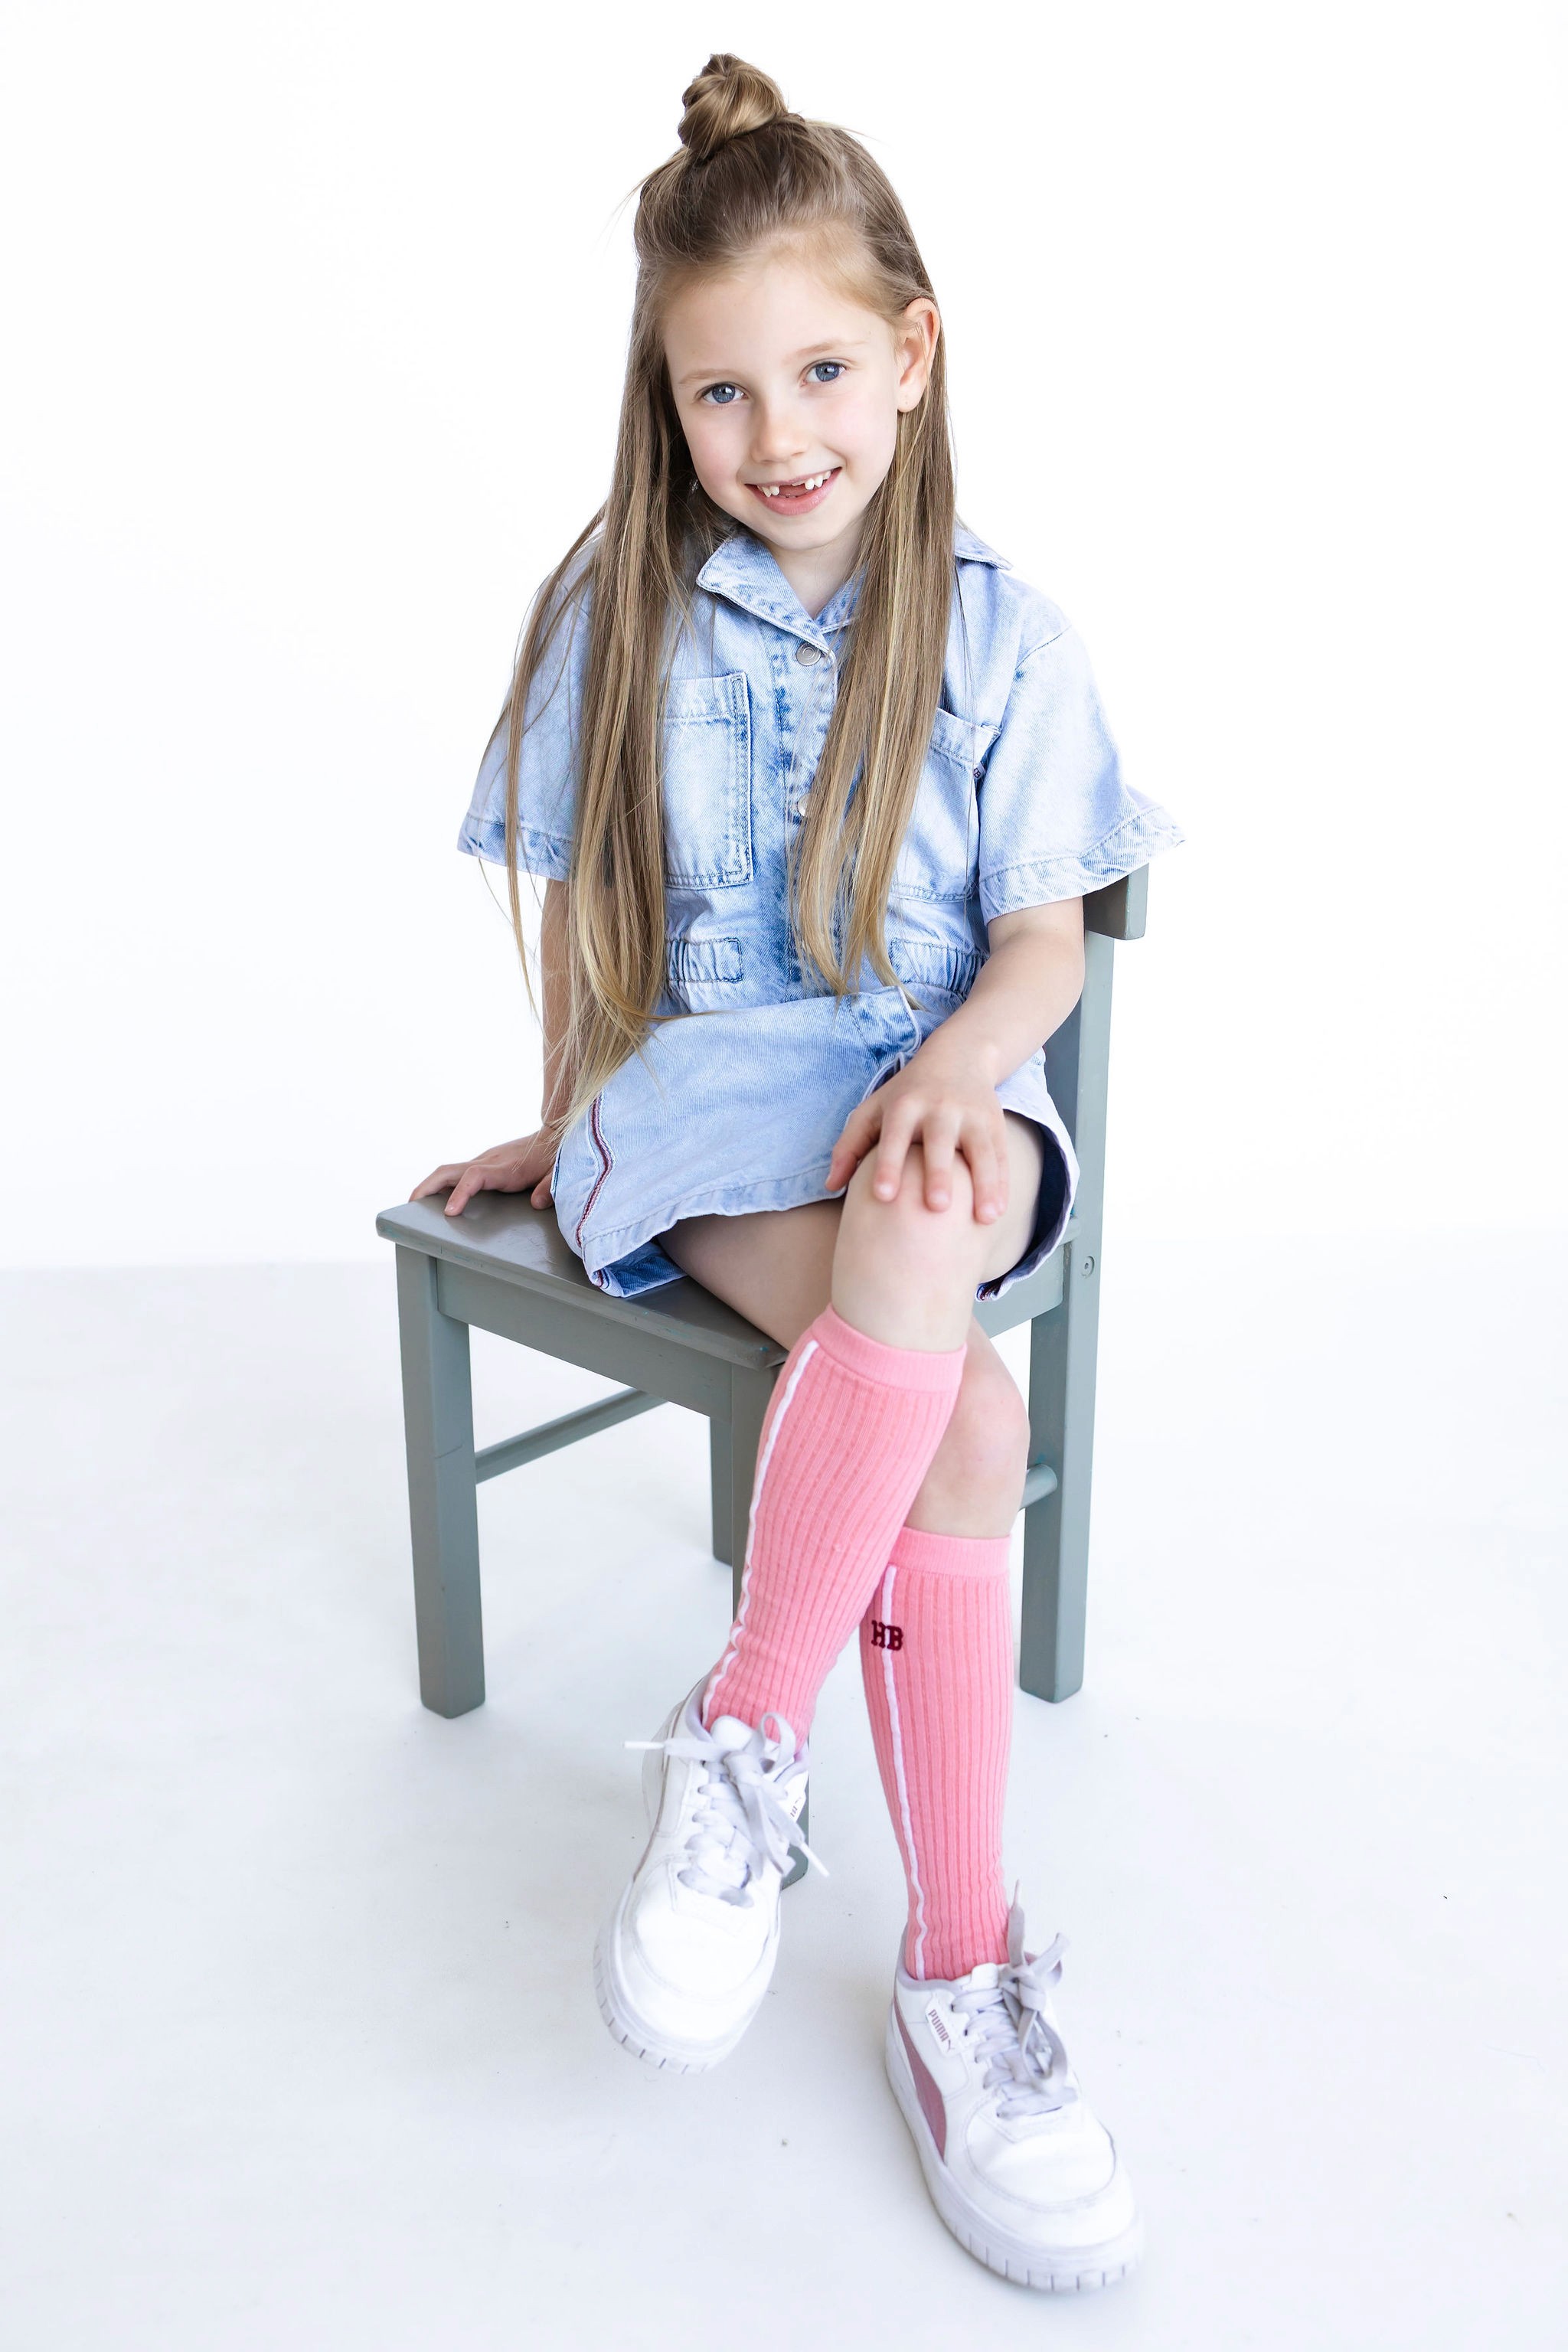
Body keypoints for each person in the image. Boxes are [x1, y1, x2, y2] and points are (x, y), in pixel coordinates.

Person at [412, 53, 1181, 2294]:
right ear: (670, 411)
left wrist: (959, 1065)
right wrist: (573, 1114)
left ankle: (747, 1730)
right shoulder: (622, 618)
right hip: (717, 1099)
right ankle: (961, 1971)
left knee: (932, 1202)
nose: (781, 434)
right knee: (981, 1425)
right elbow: (591, 915)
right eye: (724, 392)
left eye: (824, 370)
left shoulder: (1007, 635)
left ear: (914, 354)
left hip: (939, 1088)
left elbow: (1044, 940)